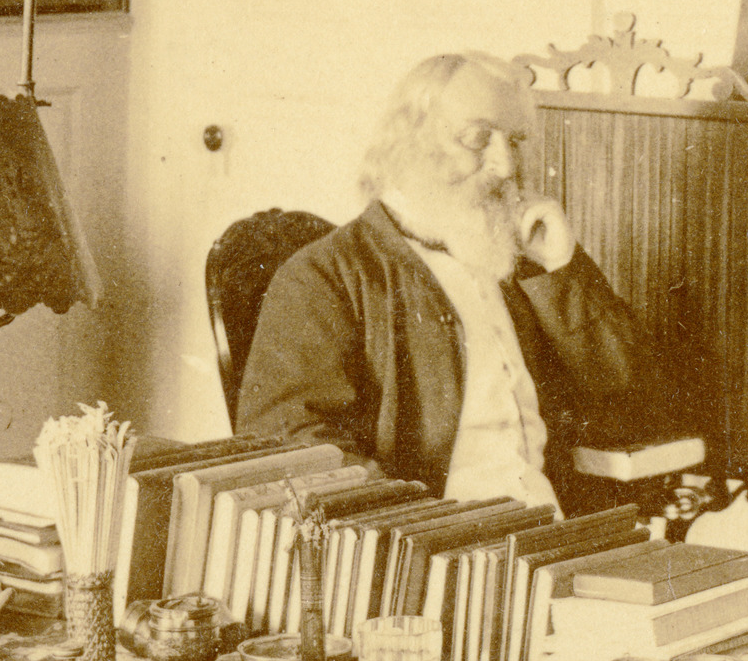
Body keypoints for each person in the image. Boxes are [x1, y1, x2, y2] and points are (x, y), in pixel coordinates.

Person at [233, 52, 663, 507]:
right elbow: (294, 450)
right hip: (433, 552)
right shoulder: (323, 276)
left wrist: (561, 271)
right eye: (478, 138)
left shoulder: (512, 256)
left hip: (549, 532)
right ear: (409, 139)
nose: (505, 166)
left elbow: (635, 405)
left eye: (514, 141)